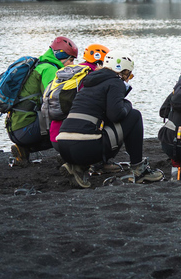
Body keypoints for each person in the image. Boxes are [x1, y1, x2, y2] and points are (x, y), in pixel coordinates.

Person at [56, 50, 163, 188]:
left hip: (64, 146)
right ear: (123, 71)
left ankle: (77, 167)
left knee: (96, 128)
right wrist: (127, 104)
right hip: (84, 147)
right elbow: (116, 115)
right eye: (129, 74)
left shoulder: (89, 82)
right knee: (135, 116)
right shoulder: (115, 82)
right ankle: (139, 170)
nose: (129, 78)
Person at [7, 36, 78, 165]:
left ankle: (24, 149)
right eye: (71, 60)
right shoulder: (50, 69)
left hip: (16, 127)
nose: (72, 64)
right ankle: (68, 155)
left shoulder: (40, 64)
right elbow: (55, 100)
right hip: (26, 129)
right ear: (61, 56)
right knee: (68, 121)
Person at [48, 43, 110, 149]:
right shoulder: (93, 76)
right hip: (74, 140)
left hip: (55, 137)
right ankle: (97, 162)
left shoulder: (73, 71)